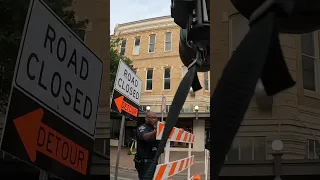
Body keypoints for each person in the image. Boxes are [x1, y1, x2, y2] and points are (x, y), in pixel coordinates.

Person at [134, 111, 160, 180]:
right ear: (146, 119)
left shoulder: (154, 128)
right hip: (145, 161)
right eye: (152, 118)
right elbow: (146, 137)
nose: (154, 120)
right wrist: (158, 131)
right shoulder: (142, 128)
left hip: (153, 159)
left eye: (155, 118)